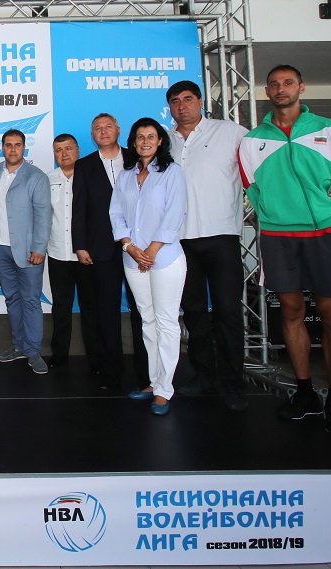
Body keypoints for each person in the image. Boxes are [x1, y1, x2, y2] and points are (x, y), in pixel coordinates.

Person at [239, 64, 331, 437]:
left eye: (288, 83)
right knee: (291, 312)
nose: (281, 89)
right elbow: (253, 190)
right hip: (280, 237)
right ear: (267, 92)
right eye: (274, 84)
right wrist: (276, 215)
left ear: (301, 88)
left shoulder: (330, 130)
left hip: (326, 234)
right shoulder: (252, 141)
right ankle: (305, 393)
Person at [164, 80, 250, 411]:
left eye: (187, 99)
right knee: (194, 312)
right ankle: (203, 376)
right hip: (180, 240)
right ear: (170, 107)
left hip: (221, 236)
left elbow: (261, 170)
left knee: (228, 312)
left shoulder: (231, 133)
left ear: (200, 101)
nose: (182, 105)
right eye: (175, 101)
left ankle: (233, 384)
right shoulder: (165, 141)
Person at [110, 118, 188, 416]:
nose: (145, 141)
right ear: (133, 142)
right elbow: (116, 212)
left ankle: (165, 390)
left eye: (151, 136)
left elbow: (174, 214)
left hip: (164, 258)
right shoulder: (126, 175)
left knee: (166, 322)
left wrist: (151, 251)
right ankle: (154, 382)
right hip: (133, 258)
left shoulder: (172, 172)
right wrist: (130, 246)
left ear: (160, 141)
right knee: (147, 321)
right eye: (140, 137)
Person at [72, 113, 150, 391]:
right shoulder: (84, 165)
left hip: (139, 247)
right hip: (101, 248)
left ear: (118, 130)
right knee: (106, 312)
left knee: (142, 310)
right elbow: (79, 207)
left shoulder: (138, 158)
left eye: (108, 127)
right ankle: (112, 371)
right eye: (97, 128)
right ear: (92, 135)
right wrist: (80, 245)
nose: (103, 131)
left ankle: (148, 374)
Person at [0, 129, 52, 375]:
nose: (13, 149)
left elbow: (44, 215)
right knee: (12, 299)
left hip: (28, 251)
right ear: (2, 147)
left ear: (24, 148)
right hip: (0, 249)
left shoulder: (36, 176)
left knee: (30, 300)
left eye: (17, 145)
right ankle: (18, 346)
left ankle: (34, 351)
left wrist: (39, 248)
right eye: (8, 145)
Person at [46, 134, 103, 370]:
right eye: (58, 150)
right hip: (57, 253)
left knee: (90, 307)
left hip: (86, 255)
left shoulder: (92, 177)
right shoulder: (48, 179)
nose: (64, 154)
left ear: (78, 150)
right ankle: (59, 355)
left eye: (68, 148)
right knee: (61, 307)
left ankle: (96, 358)